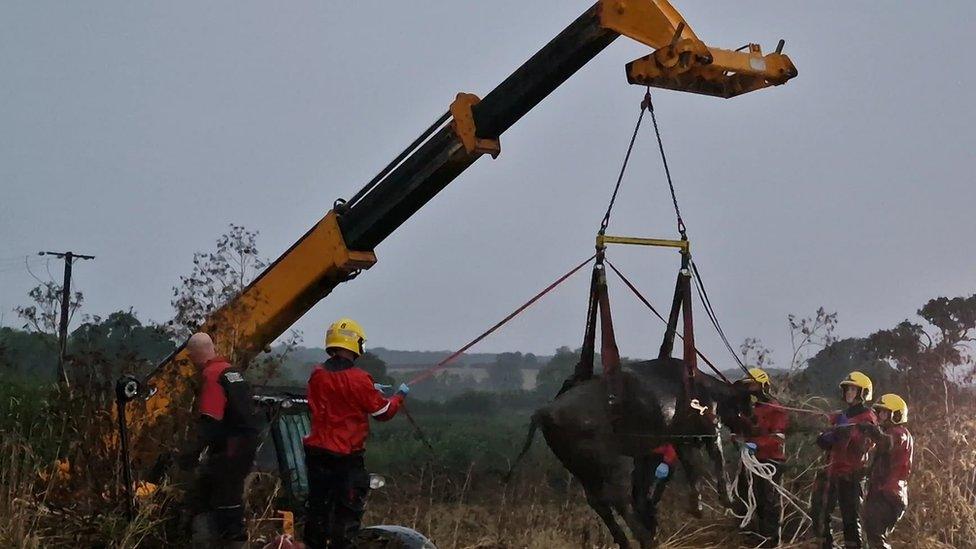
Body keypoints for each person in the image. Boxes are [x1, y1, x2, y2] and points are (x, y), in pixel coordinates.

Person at [303, 318, 409, 549]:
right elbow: (383, 412)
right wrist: (399, 396)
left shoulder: (317, 374)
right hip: (345, 456)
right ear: (356, 344)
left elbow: (330, 397)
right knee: (346, 516)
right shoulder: (360, 379)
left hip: (316, 454)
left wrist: (369, 390)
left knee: (318, 510)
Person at [179, 332, 259, 548]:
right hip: (245, 446)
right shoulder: (233, 373)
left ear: (195, 355)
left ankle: (229, 542)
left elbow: (211, 420)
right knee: (216, 495)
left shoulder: (212, 376)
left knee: (225, 503)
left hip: (229, 448)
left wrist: (191, 453)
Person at [813, 371, 878, 549]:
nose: (849, 392)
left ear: (863, 392)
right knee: (819, 513)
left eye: (853, 389)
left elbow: (865, 444)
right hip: (832, 470)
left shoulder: (868, 417)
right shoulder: (842, 415)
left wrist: (847, 433)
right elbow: (831, 438)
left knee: (850, 519)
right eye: (847, 389)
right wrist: (825, 437)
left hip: (851, 474)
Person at [729, 368, 789, 548]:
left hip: (771, 461)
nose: (750, 390)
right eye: (748, 386)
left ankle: (771, 540)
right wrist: (738, 437)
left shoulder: (776, 408)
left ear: (763, 386)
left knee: (768, 502)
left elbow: (778, 437)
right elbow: (749, 431)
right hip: (753, 462)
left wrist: (757, 444)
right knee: (751, 499)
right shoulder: (753, 410)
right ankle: (755, 537)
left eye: (753, 385)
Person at [860, 394, 913, 549]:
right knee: (872, 534)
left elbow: (886, 443)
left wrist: (872, 430)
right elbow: (881, 464)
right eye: (880, 413)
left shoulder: (899, 433)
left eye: (885, 413)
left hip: (889, 495)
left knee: (876, 536)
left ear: (896, 415)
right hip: (883, 493)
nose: (881, 417)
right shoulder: (891, 434)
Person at [632, 443, 678, 539]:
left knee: (648, 499)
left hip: (660, 458)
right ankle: (647, 535)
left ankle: (651, 534)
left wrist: (666, 461)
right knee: (638, 498)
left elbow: (671, 441)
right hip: (641, 455)